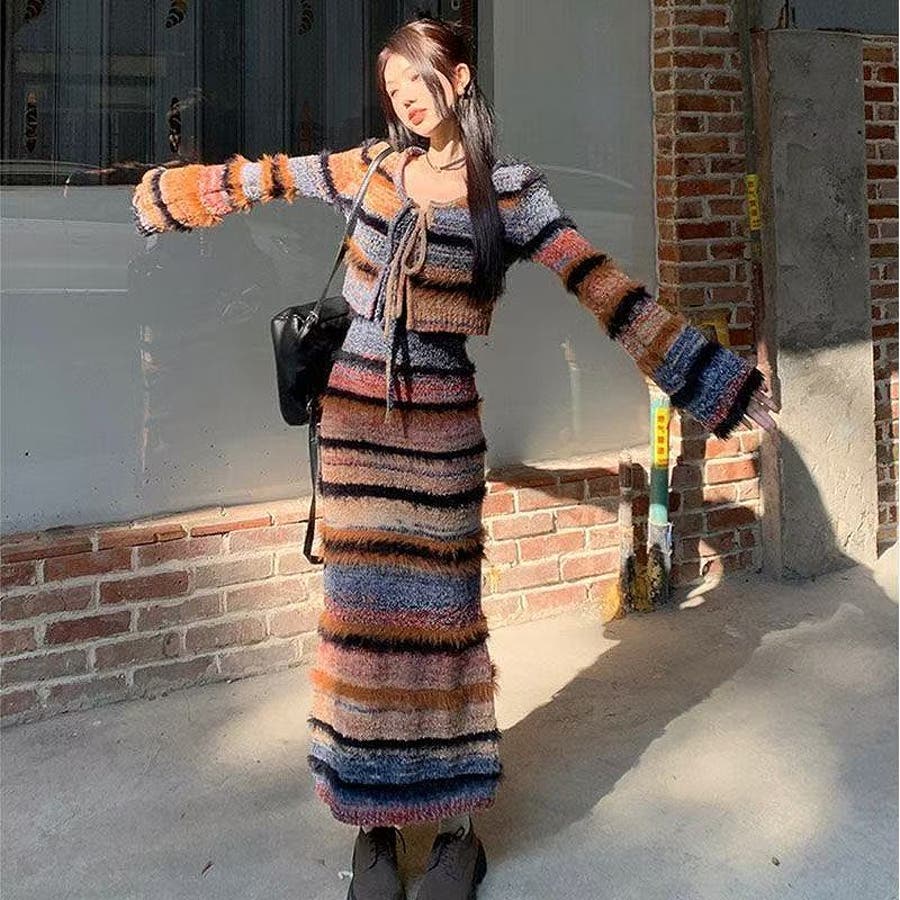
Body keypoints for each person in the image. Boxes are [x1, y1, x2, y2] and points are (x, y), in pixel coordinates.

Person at [131, 15, 779, 900]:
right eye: (391, 84)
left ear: (460, 79)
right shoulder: (372, 168)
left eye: (416, 77)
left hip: (440, 429)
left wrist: (710, 378)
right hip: (354, 425)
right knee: (359, 625)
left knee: (443, 628)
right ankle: (371, 829)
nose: (402, 96)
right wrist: (172, 196)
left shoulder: (510, 192)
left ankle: (454, 832)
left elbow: (601, 284)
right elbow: (272, 176)